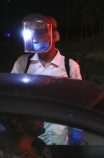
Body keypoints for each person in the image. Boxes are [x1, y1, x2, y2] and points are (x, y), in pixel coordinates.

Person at [11, 13, 82, 145]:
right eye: (34, 34)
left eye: (41, 33)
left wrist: (77, 130)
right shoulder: (22, 63)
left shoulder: (70, 66)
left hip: (57, 134)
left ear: (54, 36)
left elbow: (79, 101)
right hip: (28, 134)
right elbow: (12, 95)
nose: (37, 38)